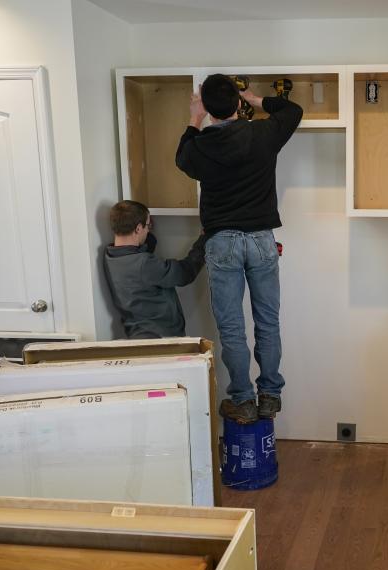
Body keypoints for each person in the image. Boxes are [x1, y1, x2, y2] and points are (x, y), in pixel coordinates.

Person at [176, 74, 302, 424]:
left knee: (232, 328)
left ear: (207, 107)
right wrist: (257, 98)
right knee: (268, 322)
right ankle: (270, 395)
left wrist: (194, 117)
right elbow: (293, 111)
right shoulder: (262, 134)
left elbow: (181, 157)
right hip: (262, 240)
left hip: (222, 243)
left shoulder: (199, 146)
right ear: (237, 102)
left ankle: (244, 400)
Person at [103, 200, 205, 338]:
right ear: (138, 229)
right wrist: (203, 241)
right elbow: (184, 273)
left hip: (137, 335)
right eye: (146, 226)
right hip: (160, 338)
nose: (148, 229)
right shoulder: (144, 264)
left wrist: (147, 231)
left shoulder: (110, 257)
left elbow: (138, 256)